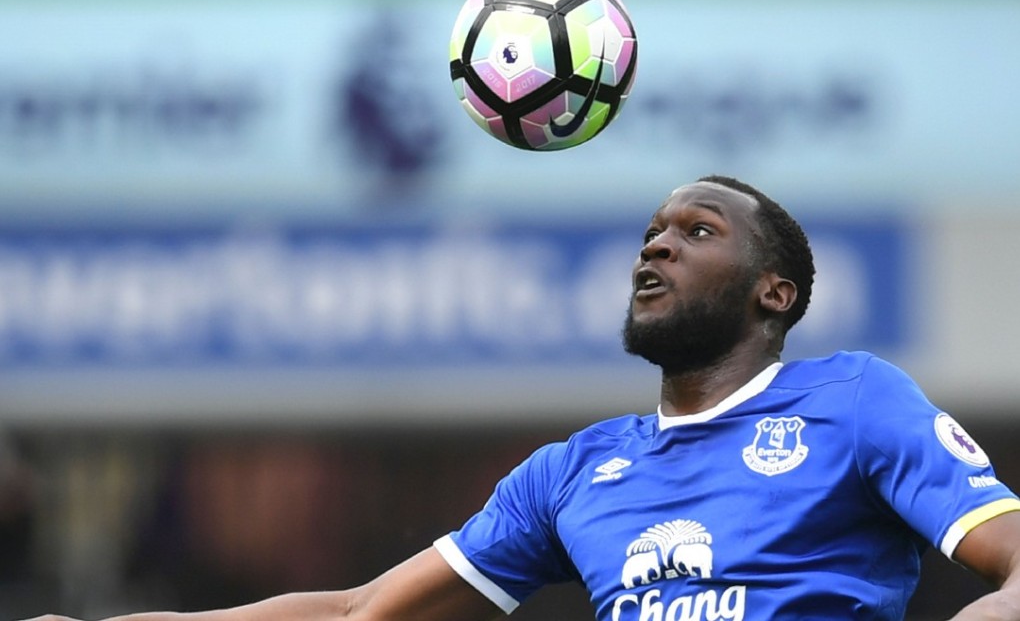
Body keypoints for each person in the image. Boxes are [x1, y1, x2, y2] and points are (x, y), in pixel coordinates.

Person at [26, 175, 1020, 621]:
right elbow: (356, 608)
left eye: (698, 229)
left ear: (778, 290)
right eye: (652, 230)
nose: (658, 243)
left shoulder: (854, 400)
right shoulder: (577, 470)